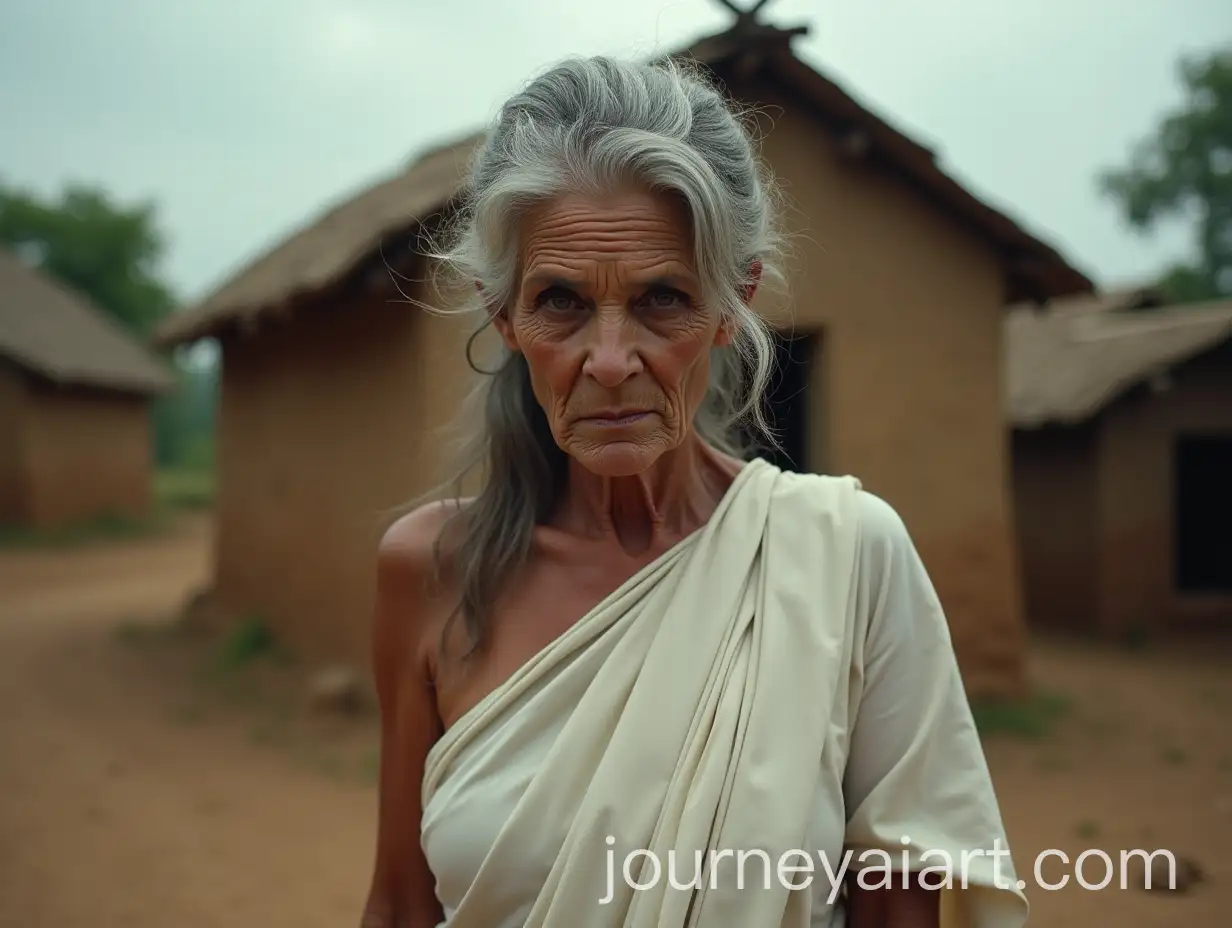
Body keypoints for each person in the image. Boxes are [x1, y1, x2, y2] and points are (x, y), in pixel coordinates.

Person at [361, 53, 1028, 928]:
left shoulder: (845, 559)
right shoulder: (433, 571)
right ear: (505, 317)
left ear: (731, 303)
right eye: (560, 301)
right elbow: (399, 905)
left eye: (662, 298)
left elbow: (898, 906)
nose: (609, 361)